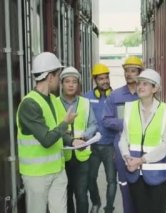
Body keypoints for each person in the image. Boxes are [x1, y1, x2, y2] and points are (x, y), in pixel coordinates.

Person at [16, 52, 85, 213]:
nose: (59, 81)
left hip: (57, 171)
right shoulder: (29, 105)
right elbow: (47, 139)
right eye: (58, 75)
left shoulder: (53, 100)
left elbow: (57, 131)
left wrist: (72, 141)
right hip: (37, 175)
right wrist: (66, 123)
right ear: (50, 77)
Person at [119, 69, 166, 213]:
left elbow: (165, 144)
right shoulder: (129, 108)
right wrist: (127, 157)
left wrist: (141, 160)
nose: (140, 87)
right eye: (139, 83)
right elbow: (123, 138)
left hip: (157, 175)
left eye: (145, 84)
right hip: (134, 174)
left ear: (155, 88)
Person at [102, 56, 144, 213]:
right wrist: (126, 124)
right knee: (126, 190)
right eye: (126, 71)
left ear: (140, 73)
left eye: (133, 71)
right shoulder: (116, 96)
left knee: (143, 191)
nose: (129, 74)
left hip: (142, 150)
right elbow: (106, 120)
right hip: (122, 151)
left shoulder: (145, 95)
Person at [55, 66, 97, 213]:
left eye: (74, 81)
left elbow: (93, 124)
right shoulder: (54, 104)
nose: (71, 85)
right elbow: (53, 129)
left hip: (82, 157)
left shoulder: (85, 103)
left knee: (81, 195)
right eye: (67, 81)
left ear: (78, 84)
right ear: (61, 84)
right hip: (61, 158)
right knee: (65, 195)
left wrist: (85, 136)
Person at [84, 63, 117, 213]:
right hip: (93, 146)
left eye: (106, 78)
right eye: (101, 79)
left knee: (111, 180)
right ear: (95, 81)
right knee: (91, 178)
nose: (104, 81)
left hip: (111, 146)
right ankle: (96, 202)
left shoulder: (115, 97)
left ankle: (109, 207)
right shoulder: (87, 98)